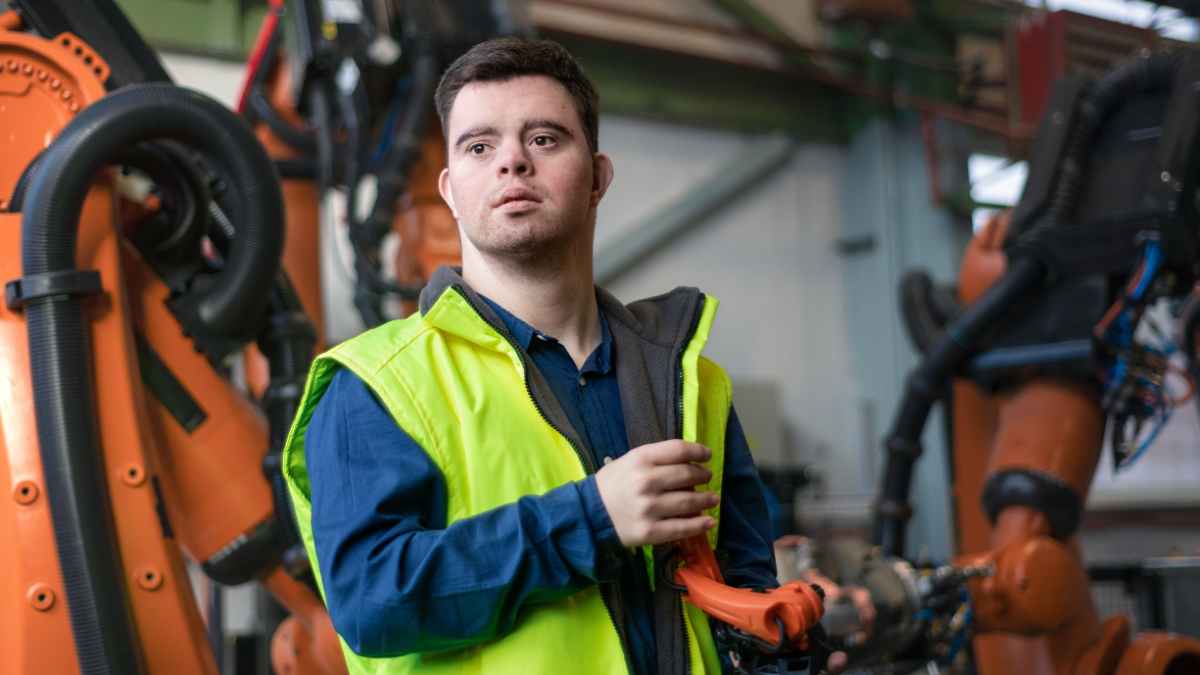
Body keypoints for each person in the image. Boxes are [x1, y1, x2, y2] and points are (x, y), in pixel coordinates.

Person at [282, 37, 849, 675]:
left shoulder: (693, 384)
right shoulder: (377, 384)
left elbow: (743, 595)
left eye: (545, 139)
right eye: (479, 146)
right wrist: (592, 518)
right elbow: (372, 605)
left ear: (598, 178)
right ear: (450, 189)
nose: (512, 163)